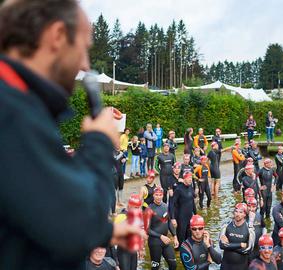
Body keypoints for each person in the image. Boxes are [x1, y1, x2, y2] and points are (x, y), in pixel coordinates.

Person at [0, 1, 143, 269]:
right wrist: (100, 142)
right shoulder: (12, 112)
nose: (85, 64)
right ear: (57, 36)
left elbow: (39, 209)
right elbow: (77, 221)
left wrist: (106, 233)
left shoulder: (18, 103)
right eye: (84, 48)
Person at [146, 187, 178, 270]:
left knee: (173, 264)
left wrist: (175, 236)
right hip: (155, 242)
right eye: (156, 195)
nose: (158, 197)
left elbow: (169, 222)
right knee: (155, 268)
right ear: (153, 195)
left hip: (165, 241)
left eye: (160, 195)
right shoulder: (149, 209)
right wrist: (161, 236)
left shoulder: (165, 206)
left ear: (163, 195)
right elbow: (147, 230)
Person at [219, 203, 256, 270]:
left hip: (241, 267)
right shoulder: (226, 226)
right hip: (226, 266)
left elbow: (248, 250)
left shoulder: (249, 230)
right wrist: (240, 245)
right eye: (236, 211)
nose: (237, 214)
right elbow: (221, 245)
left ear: (245, 214)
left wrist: (229, 246)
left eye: (240, 212)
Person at [113, 195, 142, 270]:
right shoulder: (121, 217)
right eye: (136, 207)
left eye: (139, 207)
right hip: (123, 252)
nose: (138, 210)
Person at [172, 172, 197, 245]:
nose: (190, 180)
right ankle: (178, 252)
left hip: (189, 216)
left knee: (189, 236)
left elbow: (192, 202)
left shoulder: (191, 187)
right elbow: (173, 204)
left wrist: (195, 215)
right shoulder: (178, 189)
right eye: (189, 178)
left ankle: (187, 251)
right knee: (181, 236)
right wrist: (173, 218)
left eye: (191, 178)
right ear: (184, 179)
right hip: (181, 217)